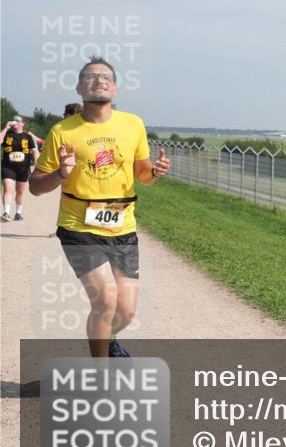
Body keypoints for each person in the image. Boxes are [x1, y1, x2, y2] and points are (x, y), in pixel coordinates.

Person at [29, 57, 171, 358]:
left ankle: (106, 344)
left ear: (116, 88)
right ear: (79, 87)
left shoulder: (133, 124)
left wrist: (155, 172)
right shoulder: (62, 132)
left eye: (106, 77)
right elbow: (35, 185)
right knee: (106, 300)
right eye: (91, 77)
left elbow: (142, 175)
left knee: (126, 310)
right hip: (79, 227)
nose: (100, 81)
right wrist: (60, 174)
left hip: (123, 228)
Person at [2, 116, 40, 221]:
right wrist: (5, 128)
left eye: (18, 121)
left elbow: (34, 151)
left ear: (23, 124)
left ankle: (18, 213)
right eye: (14, 120)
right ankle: (6, 213)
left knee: (20, 191)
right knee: (7, 188)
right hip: (8, 166)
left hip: (23, 168)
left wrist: (37, 164)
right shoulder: (7, 135)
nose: (15, 122)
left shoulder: (27, 136)